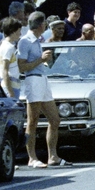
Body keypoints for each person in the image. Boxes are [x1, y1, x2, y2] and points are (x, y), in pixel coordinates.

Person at [18, 12, 63, 168]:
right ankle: (32, 158)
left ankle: (53, 156)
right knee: (33, 121)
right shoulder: (25, 41)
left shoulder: (38, 40)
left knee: (55, 119)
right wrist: (41, 60)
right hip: (33, 80)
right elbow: (21, 66)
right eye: (44, 23)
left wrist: (43, 61)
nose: (45, 26)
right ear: (39, 25)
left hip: (42, 79)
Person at [0, 18, 22, 100]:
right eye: (19, 31)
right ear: (13, 31)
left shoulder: (7, 45)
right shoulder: (8, 47)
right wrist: (10, 92)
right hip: (10, 86)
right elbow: (5, 71)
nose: (20, 33)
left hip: (13, 84)